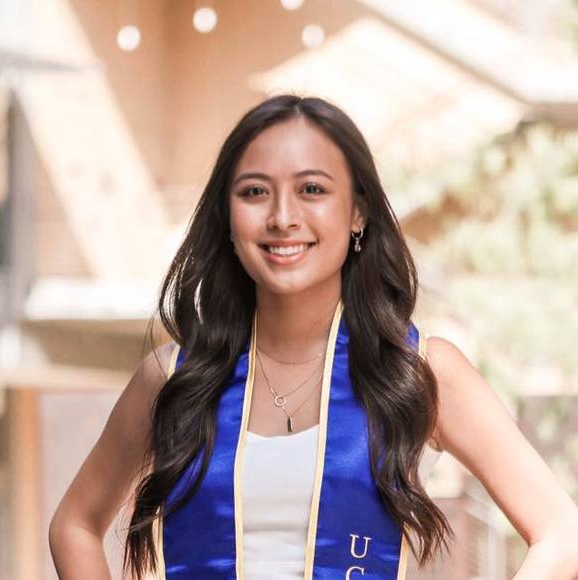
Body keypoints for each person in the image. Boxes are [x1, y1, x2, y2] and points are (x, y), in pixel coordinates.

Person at [49, 94, 578, 580]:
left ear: (358, 212)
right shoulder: (175, 378)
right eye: (255, 192)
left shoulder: (417, 372)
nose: (283, 217)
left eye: (312, 190)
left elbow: (562, 534)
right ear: (228, 218)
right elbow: (75, 524)